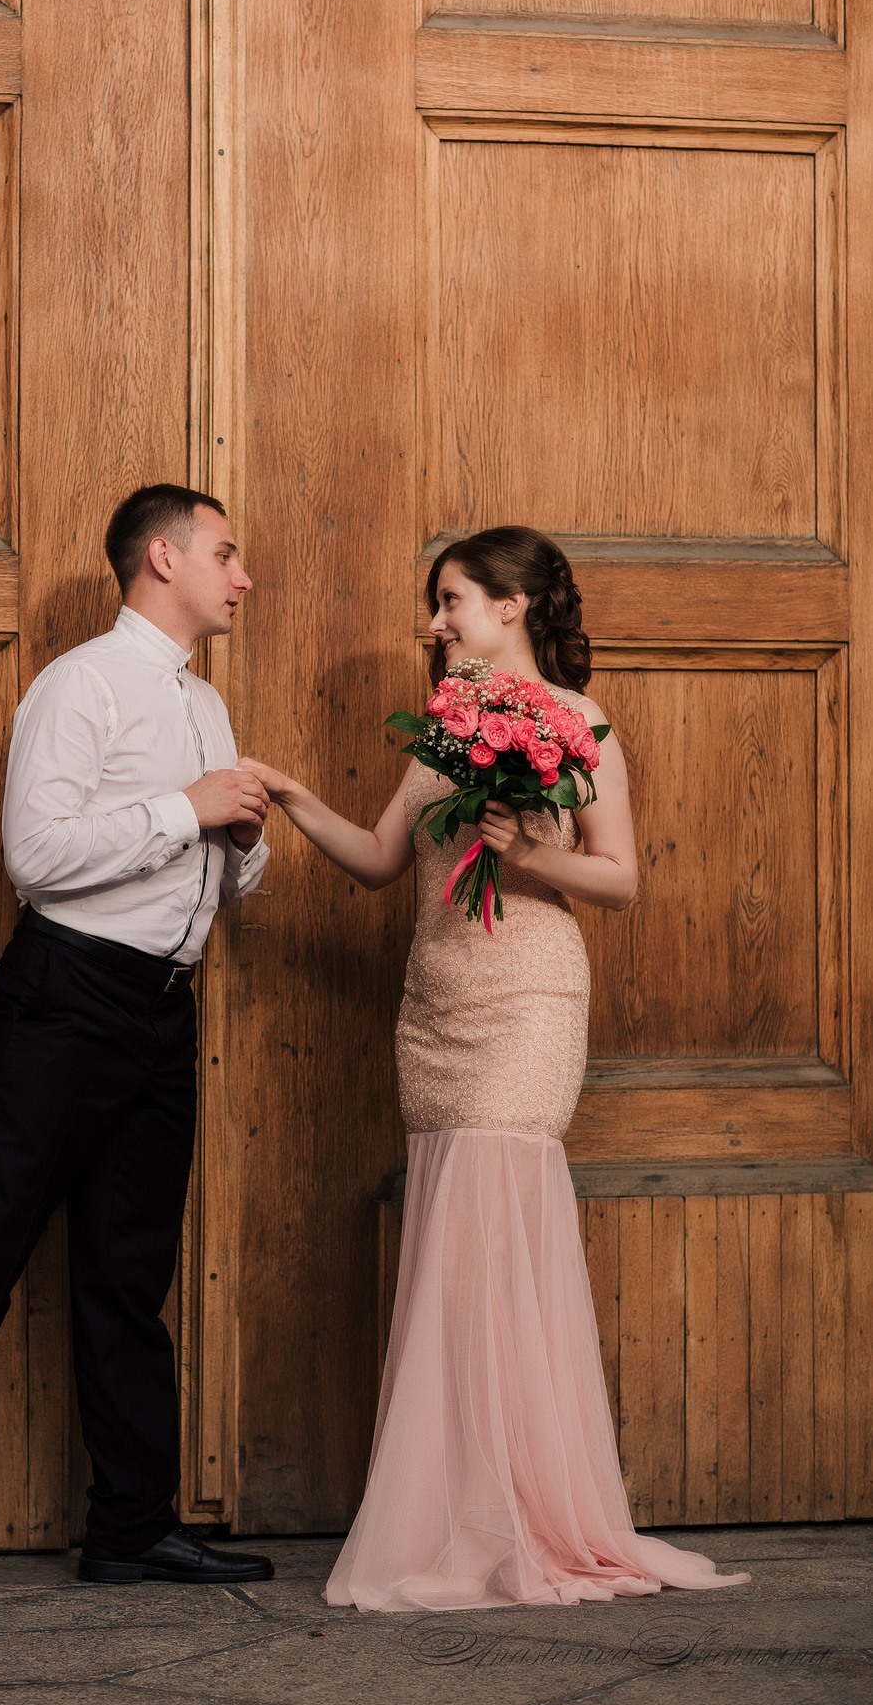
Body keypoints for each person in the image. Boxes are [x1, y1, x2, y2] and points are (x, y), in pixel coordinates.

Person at [240, 525, 748, 1611]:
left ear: (513, 606)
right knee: (452, 1251)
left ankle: (523, 1517)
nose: (436, 623)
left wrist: (529, 851)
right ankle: (466, 1506)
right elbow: (384, 862)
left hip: (523, 994)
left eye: (453, 600)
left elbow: (618, 882)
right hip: (433, 1005)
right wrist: (288, 796)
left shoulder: (581, 726)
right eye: (436, 604)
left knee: (496, 1231)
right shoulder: (442, 733)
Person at [0, 484, 276, 1612]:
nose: (242, 574)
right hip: (66, 1001)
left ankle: (129, 1527)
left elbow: (216, 862)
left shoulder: (206, 708)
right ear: (161, 558)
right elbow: (36, 855)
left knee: (130, 1276)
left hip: (165, 1011)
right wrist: (187, 808)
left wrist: (240, 841)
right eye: (226, 552)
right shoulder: (78, 684)